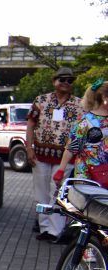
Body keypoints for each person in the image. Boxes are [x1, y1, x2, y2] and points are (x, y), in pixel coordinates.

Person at [28, 67, 83, 241]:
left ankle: (56, 230)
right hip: (40, 154)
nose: (66, 83)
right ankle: (45, 228)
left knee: (57, 191)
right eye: (62, 79)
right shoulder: (41, 100)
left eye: (70, 80)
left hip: (65, 157)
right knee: (41, 192)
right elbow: (30, 124)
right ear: (54, 81)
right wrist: (28, 148)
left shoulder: (79, 104)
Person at [53, 79, 108, 187]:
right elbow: (71, 147)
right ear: (104, 98)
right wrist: (61, 170)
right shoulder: (85, 122)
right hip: (87, 178)